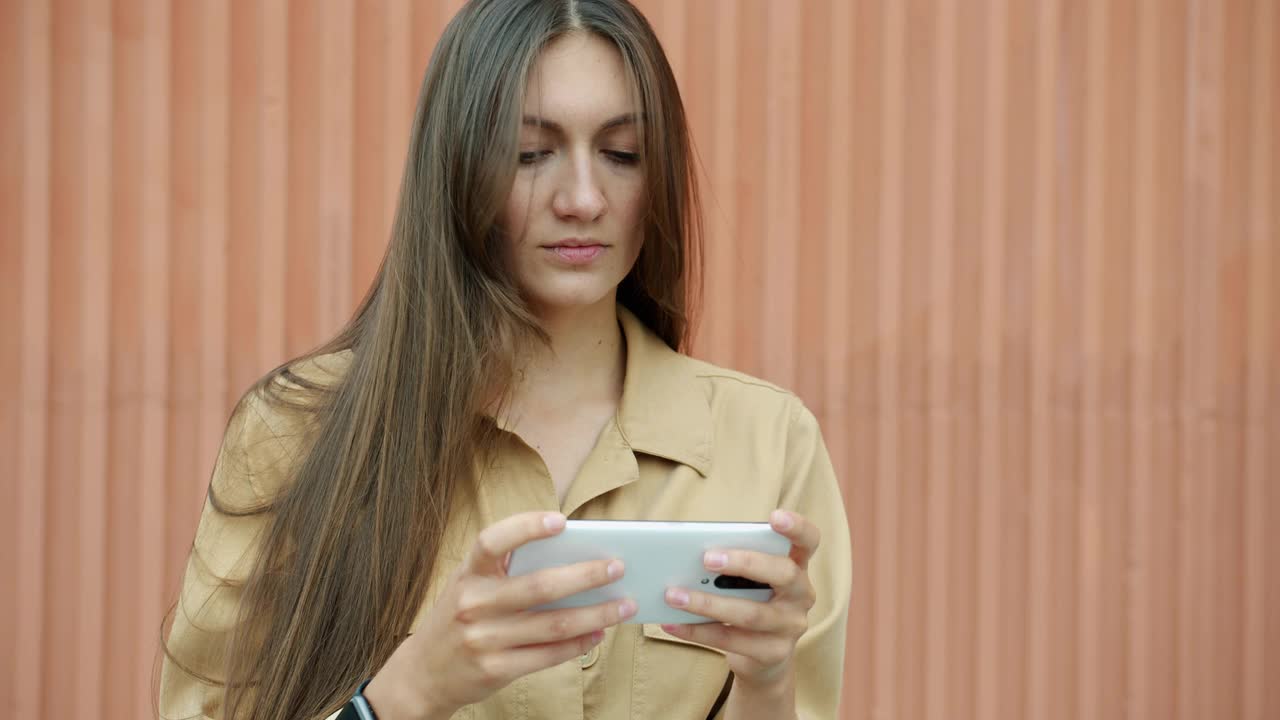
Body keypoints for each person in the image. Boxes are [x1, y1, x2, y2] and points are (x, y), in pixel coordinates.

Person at [158, 1, 851, 718]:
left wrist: (767, 684)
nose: (583, 199)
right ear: (458, 165)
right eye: (529, 153)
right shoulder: (296, 432)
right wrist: (407, 694)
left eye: (622, 154)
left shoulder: (769, 441)